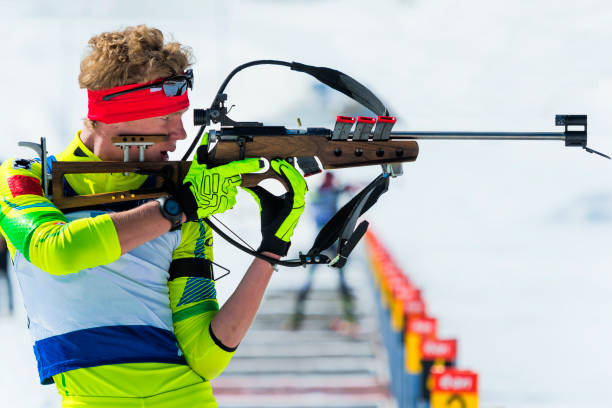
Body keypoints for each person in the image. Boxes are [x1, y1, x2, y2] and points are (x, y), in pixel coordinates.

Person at [0, 25, 307, 407]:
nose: (179, 134)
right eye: (166, 118)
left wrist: (271, 250)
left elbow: (205, 355)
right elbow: (57, 251)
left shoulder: (183, 201)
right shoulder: (28, 176)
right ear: (120, 114)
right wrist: (176, 210)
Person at [290, 172, 356, 331]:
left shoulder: (322, 193)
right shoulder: (326, 193)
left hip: (323, 241)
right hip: (327, 241)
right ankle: (297, 317)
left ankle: (297, 317)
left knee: (323, 278)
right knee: (331, 278)